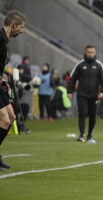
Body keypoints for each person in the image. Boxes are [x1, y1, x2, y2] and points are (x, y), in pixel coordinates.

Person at [0, 10, 26, 170]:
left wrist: (3, 78)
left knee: (11, 117)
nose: (22, 31)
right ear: (14, 25)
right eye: (21, 28)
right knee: (4, 119)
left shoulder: (5, 40)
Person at [67, 45, 103, 144]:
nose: (90, 54)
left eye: (92, 52)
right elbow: (72, 79)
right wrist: (69, 91)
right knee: (82, 114)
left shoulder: (99, 65)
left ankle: (89, 135)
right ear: (85, 53)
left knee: (93, 116)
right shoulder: (80, 64)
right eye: (88, 52)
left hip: (95, 96)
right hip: (82, 95)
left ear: (95, 53)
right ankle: (81, 135)